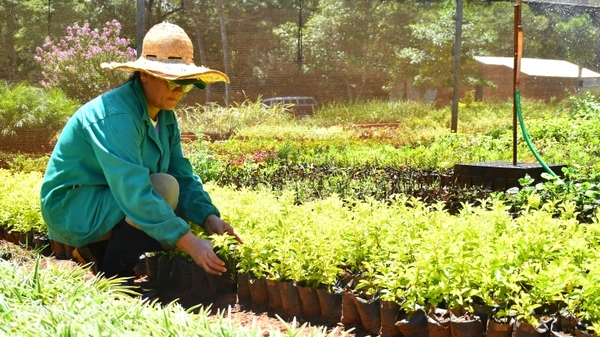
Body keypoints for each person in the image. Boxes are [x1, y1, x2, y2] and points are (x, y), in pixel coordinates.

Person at [40, 22, 243, 280]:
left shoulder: (165, 117)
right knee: (163, 191)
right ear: (145, 75)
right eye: (172, 82)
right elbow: (134, 191)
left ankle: (95, 252)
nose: (179, 91)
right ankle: (114, 278)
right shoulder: (119, 116)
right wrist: (192, 243)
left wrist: (208, 216)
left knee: (171, 198)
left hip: (105, 198)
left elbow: (181, 172)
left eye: (186, 84)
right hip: (72, 206)